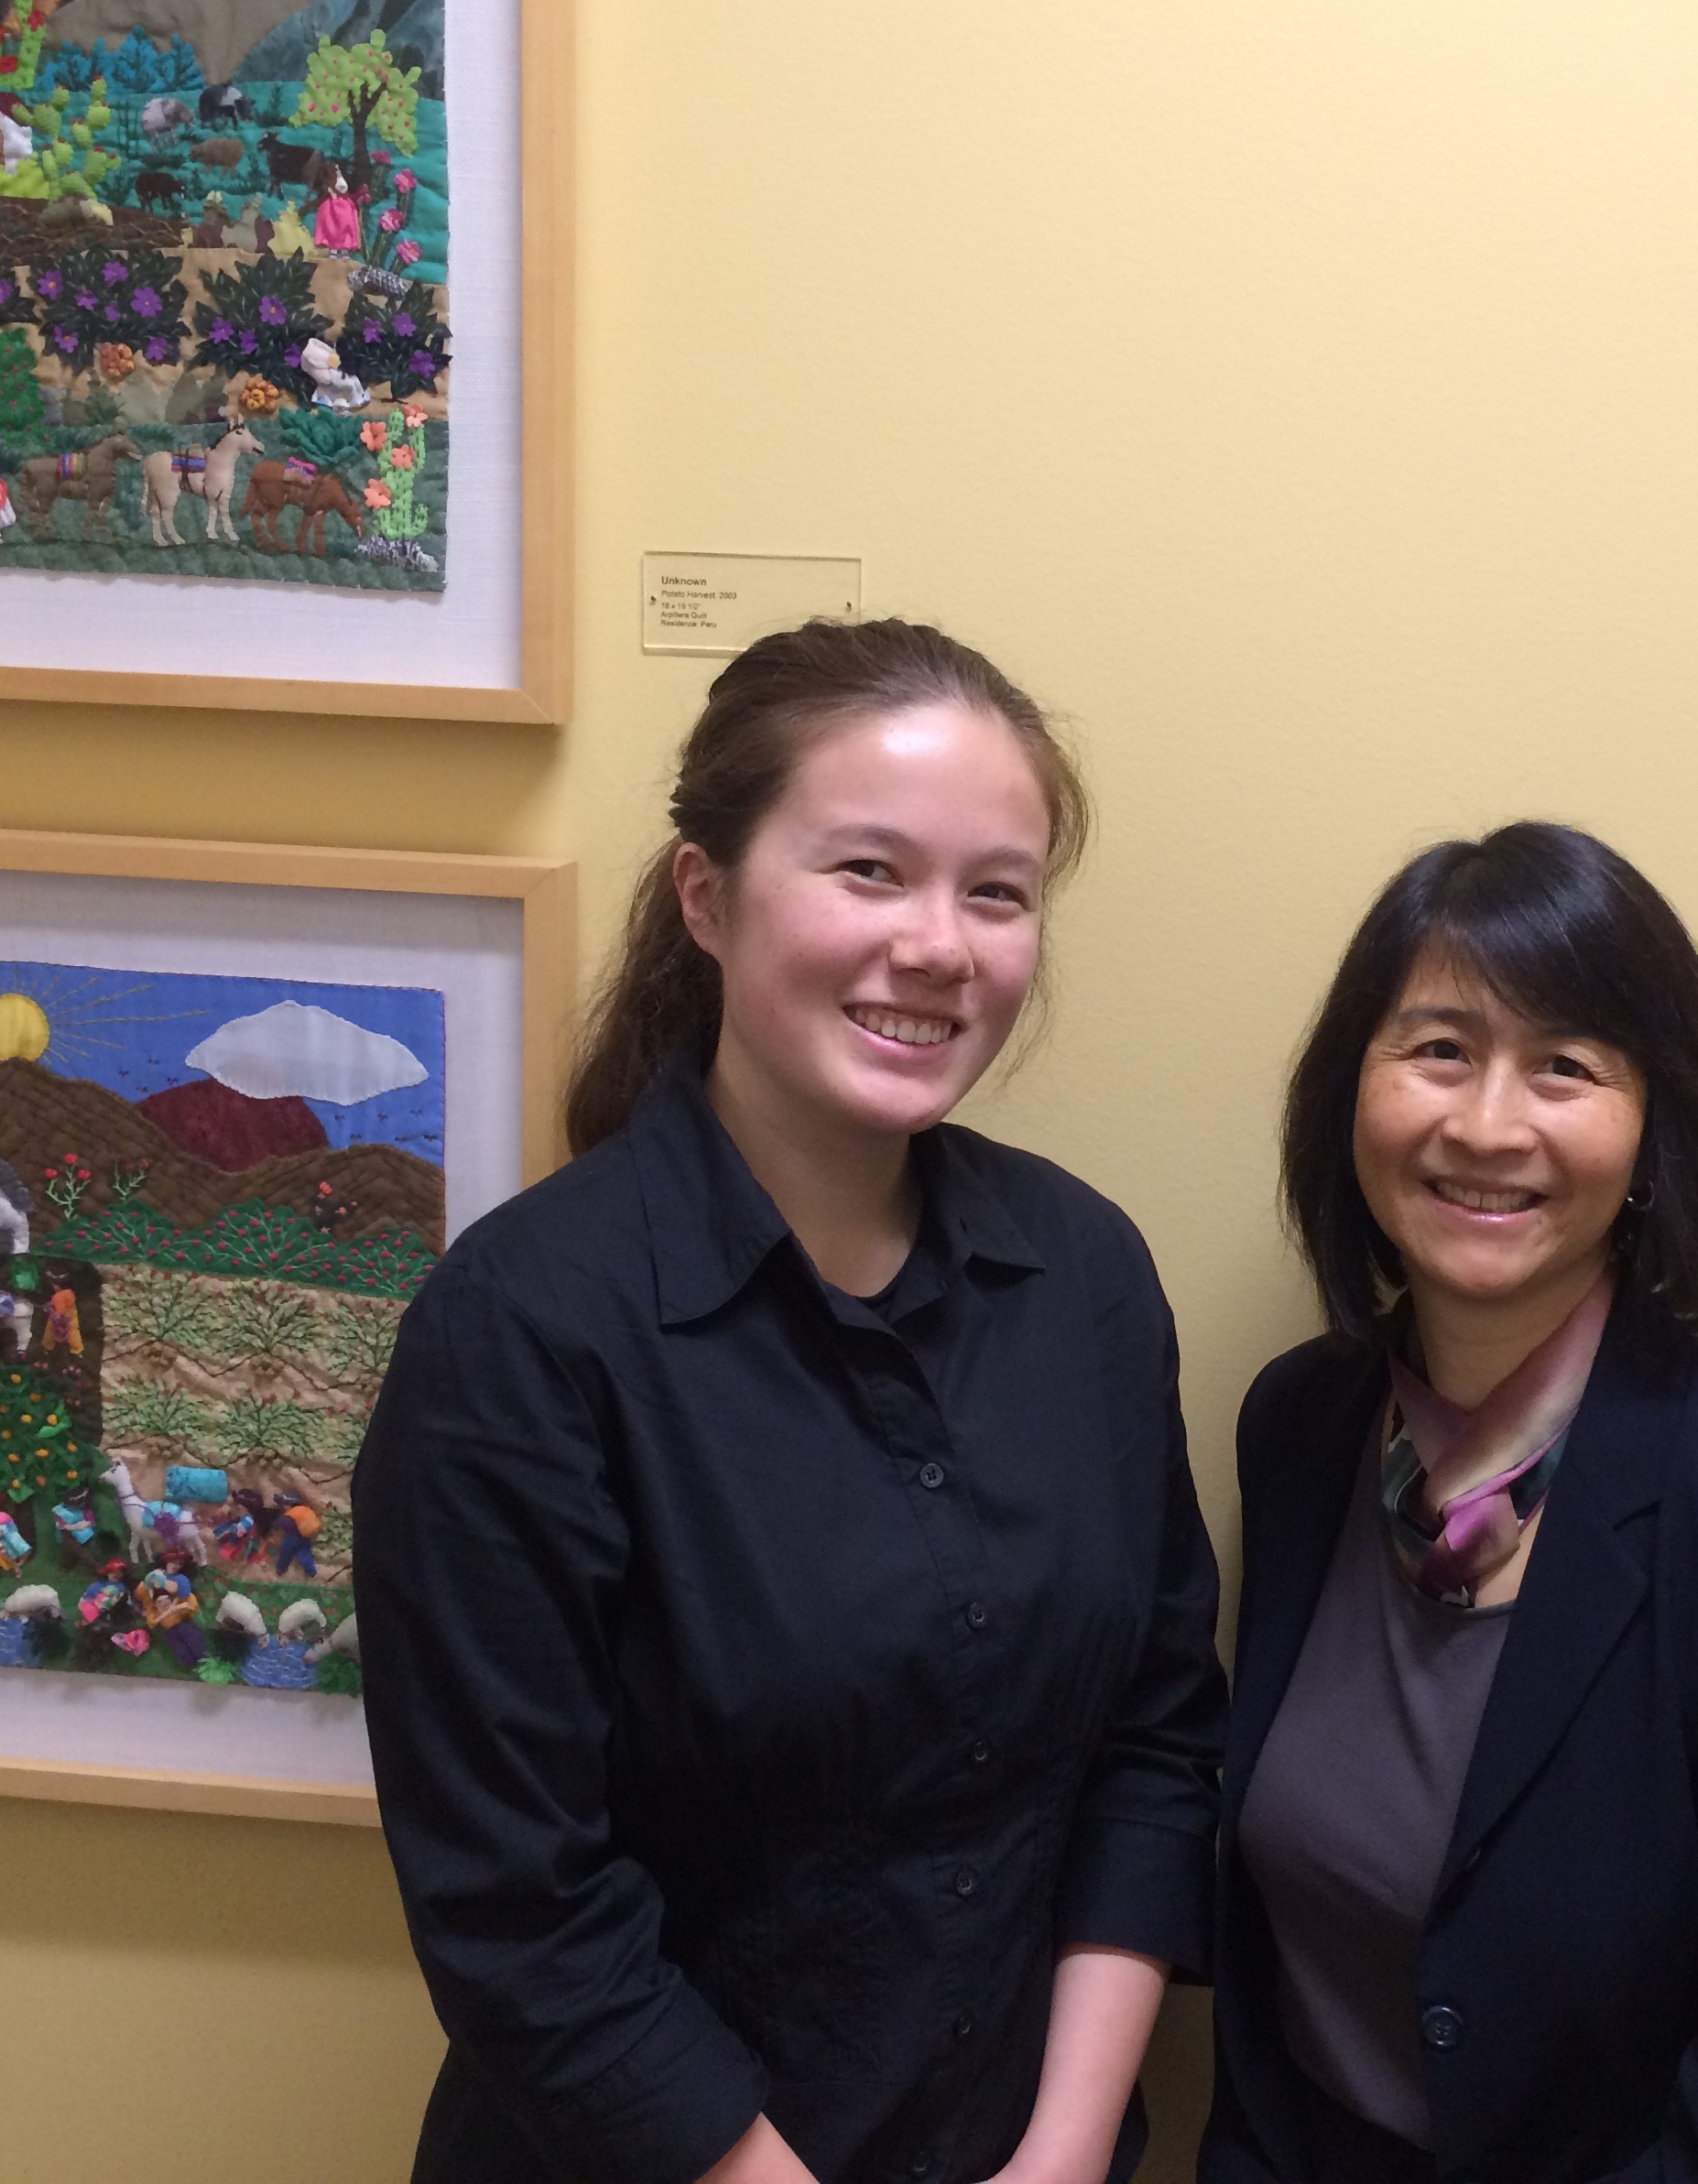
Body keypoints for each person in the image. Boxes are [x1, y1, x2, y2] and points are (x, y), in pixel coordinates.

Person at [358, 619, 1227, 2184]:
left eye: (999, 891)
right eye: (870, 872)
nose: (941, 946)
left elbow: (1156, 1747)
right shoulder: (523, 1334)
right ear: (707, 895)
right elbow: (522, 1913)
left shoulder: (1084, 1279)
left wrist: (1066, 2151)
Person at [1203, 823, 1698, 2184]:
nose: (1488, 1125)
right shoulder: (1302, 1431)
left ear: (1655, 1130)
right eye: (1438, 1049)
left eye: (1566, 1066)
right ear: (1350, 1095)